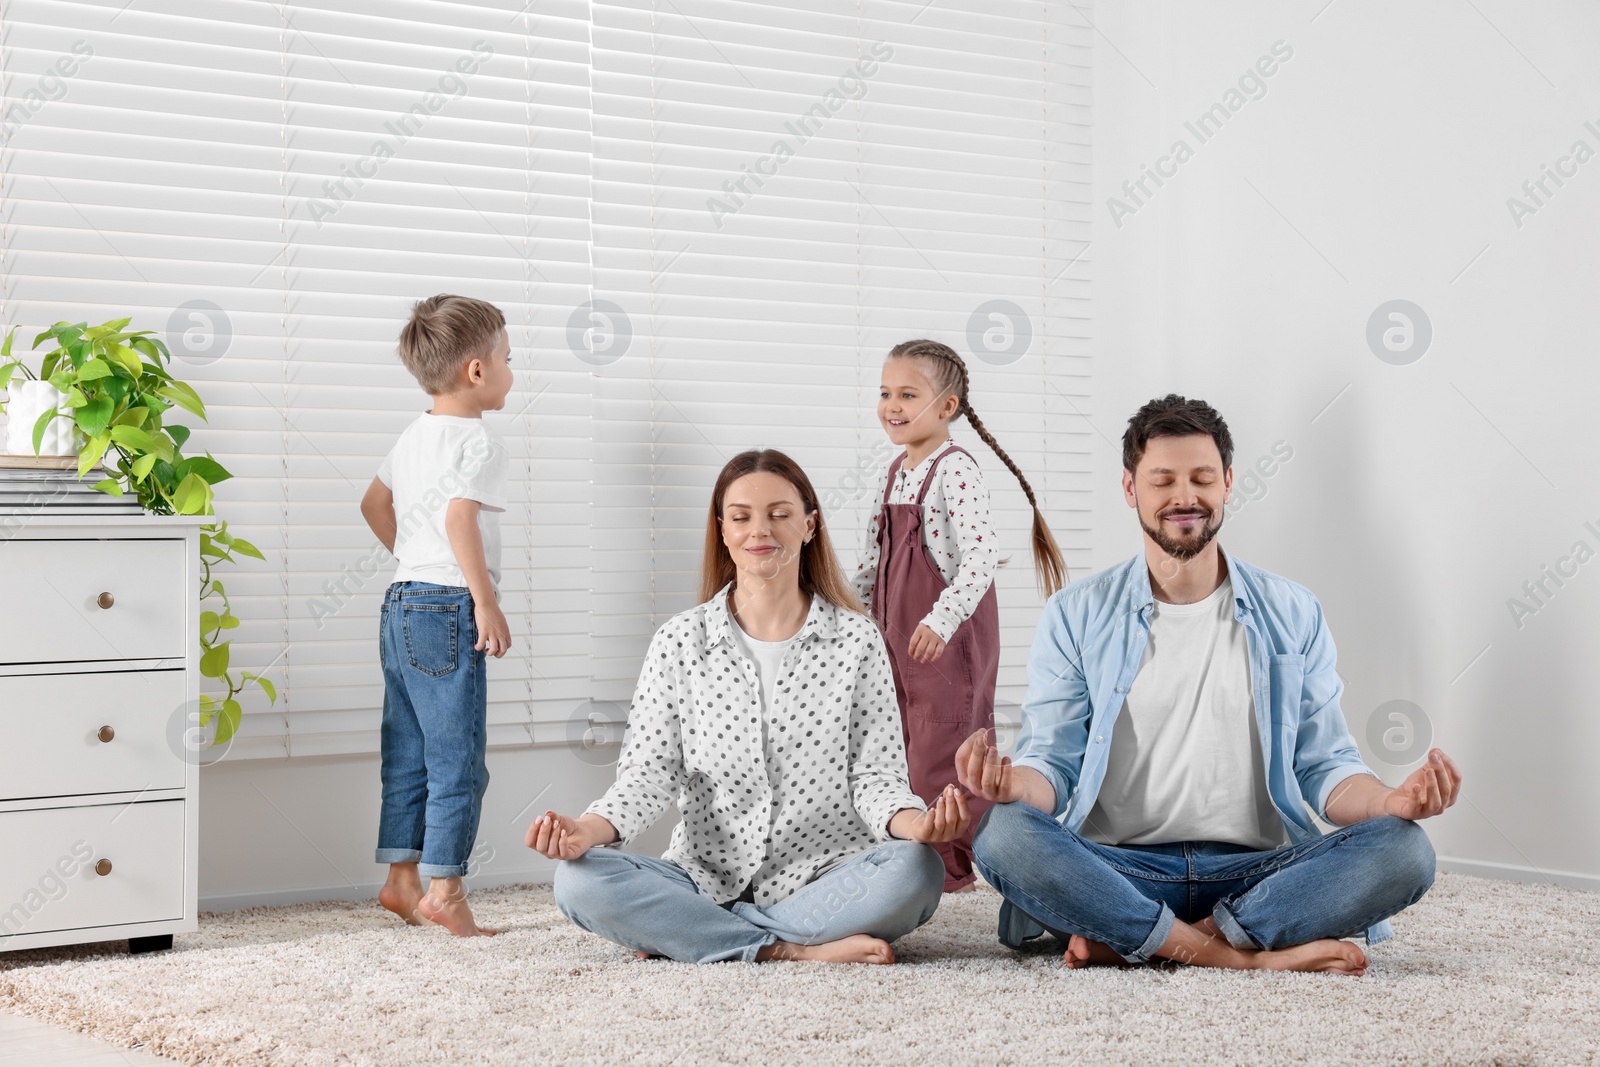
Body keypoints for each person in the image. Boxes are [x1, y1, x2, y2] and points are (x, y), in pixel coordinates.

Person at [961, 394, 1459, 974]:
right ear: (1130, 488)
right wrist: (1011, 786)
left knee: (1404, 849)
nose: (1184, 497)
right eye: (1162, 480)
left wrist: (1390, 801)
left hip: (1256, 874)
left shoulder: (1293, 610)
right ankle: (1239, 956)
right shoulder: (1075, 613)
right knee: (1004, 834)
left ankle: (1149, 940)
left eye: (1201, 477)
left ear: (1227, 483)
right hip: (1120, 870)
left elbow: (1325, 766)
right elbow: (1053, 763)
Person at [529, 449, 967, 964]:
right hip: (703, 876)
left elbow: (874, 775)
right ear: (723, 530)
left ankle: (696, 935)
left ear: (809, 526)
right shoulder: (679, 641)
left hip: (824, 875)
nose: (761, 530)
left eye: (779, 514)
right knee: (579, 881)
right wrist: (587, 830)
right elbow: (647, 777)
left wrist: (912, 823)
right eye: (741, 517)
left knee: (916, 871)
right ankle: (787, 949)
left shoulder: (856, 640)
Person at [853, 339, 1067, 893]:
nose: (891, 405)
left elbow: (978, 560)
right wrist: (849, 610)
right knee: (899, 736)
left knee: (945, 741)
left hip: (947, 635)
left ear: (946, 407)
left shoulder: (956, 471)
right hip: (894, 631)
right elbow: (875, 558)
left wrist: (941, 621)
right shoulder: (893, 471)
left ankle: (959, 861)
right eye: (884, 393)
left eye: (907, 393)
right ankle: (912, 845)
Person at [359, 294, 514, 937]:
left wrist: (412, 558)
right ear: (476, 370)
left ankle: (401, 879)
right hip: (447, 608)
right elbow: (459, 519)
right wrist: (484, 599)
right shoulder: (477, 441)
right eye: (509, 357)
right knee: (458, 758)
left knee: (410, 749)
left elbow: (372, 505)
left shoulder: (414, 433)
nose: (512, 370)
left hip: (400, 603)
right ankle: (445, 888)